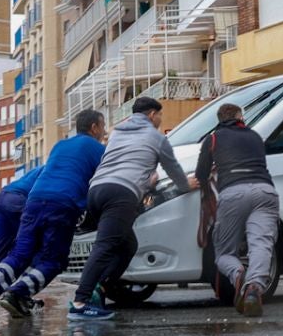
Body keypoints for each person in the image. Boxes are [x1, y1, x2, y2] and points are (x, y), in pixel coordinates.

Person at [0, 110, 107, 317]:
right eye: (103, 127)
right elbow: (104, 181)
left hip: (33, 201)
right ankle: (17, 294)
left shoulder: (60, 146)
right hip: (62, 204)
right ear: (94, 128)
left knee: (20, 253)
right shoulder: (98, 149)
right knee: (53, 260)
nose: (104, 132)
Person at [70, 97, 194, 321]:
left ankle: (100, 289)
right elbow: (173, 168)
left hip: (96, 191)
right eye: (159, 115)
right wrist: (187, 185)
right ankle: (80, 302)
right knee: (105, 246)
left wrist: (146, 182)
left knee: (128, 246)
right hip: (121, 194)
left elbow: (123, 163)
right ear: (151, 115)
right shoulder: (157, 137)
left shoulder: (117, 134)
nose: (160, 120)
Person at [194, 102, 279, 317]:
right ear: (241, 117)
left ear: (220, 119)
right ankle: (253, 288)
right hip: (265, 191)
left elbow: (201, 174)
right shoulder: (255, 136)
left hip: (233, 193)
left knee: (223, 252)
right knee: (261, 243)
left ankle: (238, 273)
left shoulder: (213, 138)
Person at [0, 164, 42, 291]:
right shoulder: (61, 173)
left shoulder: (40, 168)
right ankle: (20, 292)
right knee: (32, 248)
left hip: (4, 196)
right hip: (23, 200)